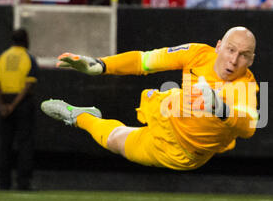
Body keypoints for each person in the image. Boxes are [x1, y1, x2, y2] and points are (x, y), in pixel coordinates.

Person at [41, 26, 259, 171]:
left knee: (115, 141)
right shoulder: (198, 53)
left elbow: (249, 126)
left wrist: (220, 108)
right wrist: (101, 66)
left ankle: (80, 117)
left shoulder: (246, 86)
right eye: (231, 50)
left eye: (244, 55)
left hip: (181, 152)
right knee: (169, 101)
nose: (234, 60)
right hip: (167, 114)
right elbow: (144, 61)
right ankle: (82, 116)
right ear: (219, 46)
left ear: (251, 60)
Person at [0, 28, 38, 190]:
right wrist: (14, 105)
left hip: (4, 102)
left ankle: (4, 182)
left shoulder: (1, 58)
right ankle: (23, 182)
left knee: (4, 144)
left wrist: (2, 104)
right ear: (26, 40)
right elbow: (28, 85)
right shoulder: (28, 58)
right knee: (25, 143)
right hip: (22, 103)